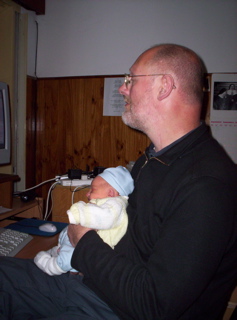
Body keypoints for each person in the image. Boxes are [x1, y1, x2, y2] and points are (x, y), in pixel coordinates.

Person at [1, 43, 237, 320]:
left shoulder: (207, 186)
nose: (123, 88)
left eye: (130, 80)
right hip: (94, 287)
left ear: (164, 86)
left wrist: (83, 241)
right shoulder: (156, 159)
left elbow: (153, 304)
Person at [34, 166, 134, 275]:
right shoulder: (109, 203)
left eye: (92, 190)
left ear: (110, 193)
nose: (87, 194)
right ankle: (57, 251)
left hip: (88, 248)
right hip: (77, 243)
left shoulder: (115, 205)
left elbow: (103, 217)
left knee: (68, 258)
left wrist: (78, 211)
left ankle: (52, 266)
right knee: (63, 249)